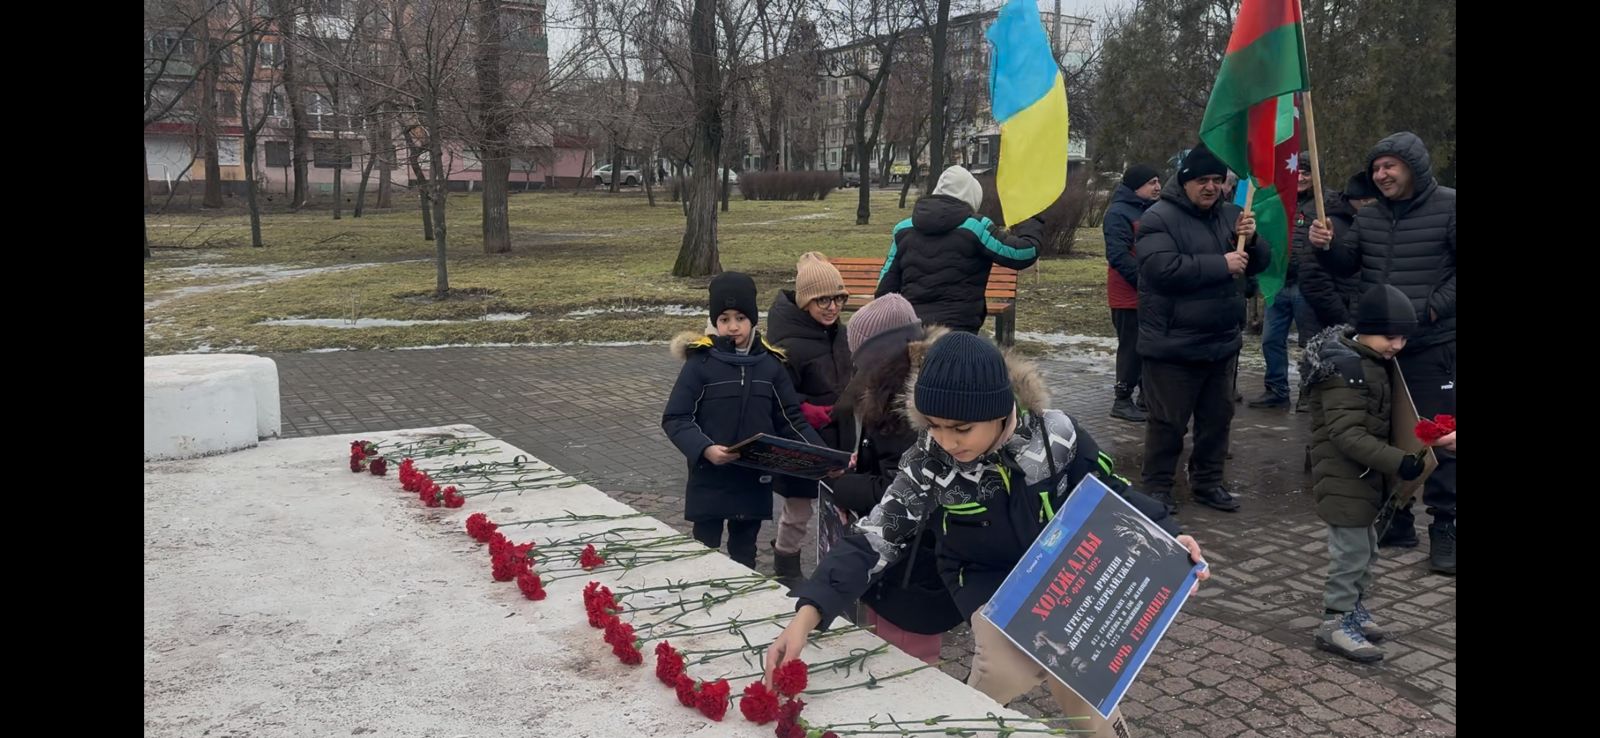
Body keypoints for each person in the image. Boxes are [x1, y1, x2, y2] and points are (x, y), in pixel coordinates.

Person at [764, 331, 1209, 738]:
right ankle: (965, 723)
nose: (947, 441)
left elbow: (1111, 492)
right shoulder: (929, 462)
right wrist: (807, 614)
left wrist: (1170, 535)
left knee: (1084, 689)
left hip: (1063, 573)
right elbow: (876, 536)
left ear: (999, 411)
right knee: (1000, 671)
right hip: (984, 579)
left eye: (960, 429)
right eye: (933, 425)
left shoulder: (1056, 436)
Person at [1308, 132, 1456, 574]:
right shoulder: (1368, 218)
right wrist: (1327, 245)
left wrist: (1430, 310)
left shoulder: (1449, 206)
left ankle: (1446, 527)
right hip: (1378, 349)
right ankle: (1397, 517)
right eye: (1375, 168)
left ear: (1414, 166)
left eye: (1389, 166)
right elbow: (1347, 264)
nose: (1381, 175)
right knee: (1387, 433)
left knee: (1440, 436)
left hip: (1432, 343)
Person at [1135, 144, 1271, 513]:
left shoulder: (1231, 215)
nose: (1211, 187)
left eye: (1217, 180)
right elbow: (1160, 269)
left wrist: (1254, 240)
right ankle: (1158, 487)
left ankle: (1208, 482)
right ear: (1184, 181)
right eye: (1202, 181)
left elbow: (1258, 263)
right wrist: (1219, 265)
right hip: (1173, 344)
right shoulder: (1158, 217)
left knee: (1217, 420)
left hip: (1221, 342)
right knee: (1167, 423)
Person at [827, 293, 961, 664]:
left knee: (906, 661)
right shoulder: (914, 388)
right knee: (888, 640)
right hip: (907, 563)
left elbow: (898, 490)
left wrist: (843, 486)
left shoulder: (903, 407)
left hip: (911, 569)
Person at [661, 271, 825, 569]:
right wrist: (705, 449)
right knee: (703, 551)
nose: (732, 326)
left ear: (753, 320)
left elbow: (792, 420)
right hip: (709, 477)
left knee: (744, 552)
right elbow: (676, 418)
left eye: (740, 317)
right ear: (715, 322)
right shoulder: (701, 364)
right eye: (724, 318)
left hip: (752, 480)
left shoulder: (770, 366)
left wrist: (823, 457)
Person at [1303, 285, 1426, 662]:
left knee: (1367, 548)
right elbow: (1346, 433)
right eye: (1391, 336)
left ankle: (1353, 610)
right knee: (1351, 554)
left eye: (1404, 337)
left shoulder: (1371, 361)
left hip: (1364, 477)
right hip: (1344, 478)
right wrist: (1398, 461)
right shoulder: (1348, 369)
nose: (1398, 345)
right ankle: (1334, 622)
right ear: (1367, 329)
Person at [765, 253, 855, 585]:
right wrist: (806, 410)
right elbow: (780, 397)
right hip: (802, 441)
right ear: (805, 302)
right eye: (821, 300)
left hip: (839, 435)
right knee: (799, 510)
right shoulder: (788, 345)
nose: (831, 307)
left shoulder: (841, 335)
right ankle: (786, 562)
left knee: (839, 505)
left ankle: (834, 563)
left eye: (837, 299)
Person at [877, 165, 1043, 334]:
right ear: (973, 197)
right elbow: (1023, 253)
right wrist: (1031, 217)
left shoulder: (903, 229)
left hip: (912, 331)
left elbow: (884, 287)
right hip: (959, 332)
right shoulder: (975, 228)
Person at [1248, 154, 1321, 410]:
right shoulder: (1276, 201)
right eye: (1296, 172)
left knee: (1310, 343)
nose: (1300, 177)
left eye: (1306, 173)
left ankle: (1309, 393)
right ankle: (1276, 389)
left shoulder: (1325, 203)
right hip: (1277, 282)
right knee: (1271, 340)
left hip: (1307, 284)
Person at [1104, 164, 1162, 422]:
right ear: (1135, 186)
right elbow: (1118, 255)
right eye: (1151, 182)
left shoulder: (1151, 210)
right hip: (1128, 295)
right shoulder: (1118, 213)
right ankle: (1122, 399)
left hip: (1150, 293)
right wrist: (1143, 282)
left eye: (1158, 181)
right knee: (1131, 348)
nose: (1157, 187)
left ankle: (1145, 396)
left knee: (1147, 346)